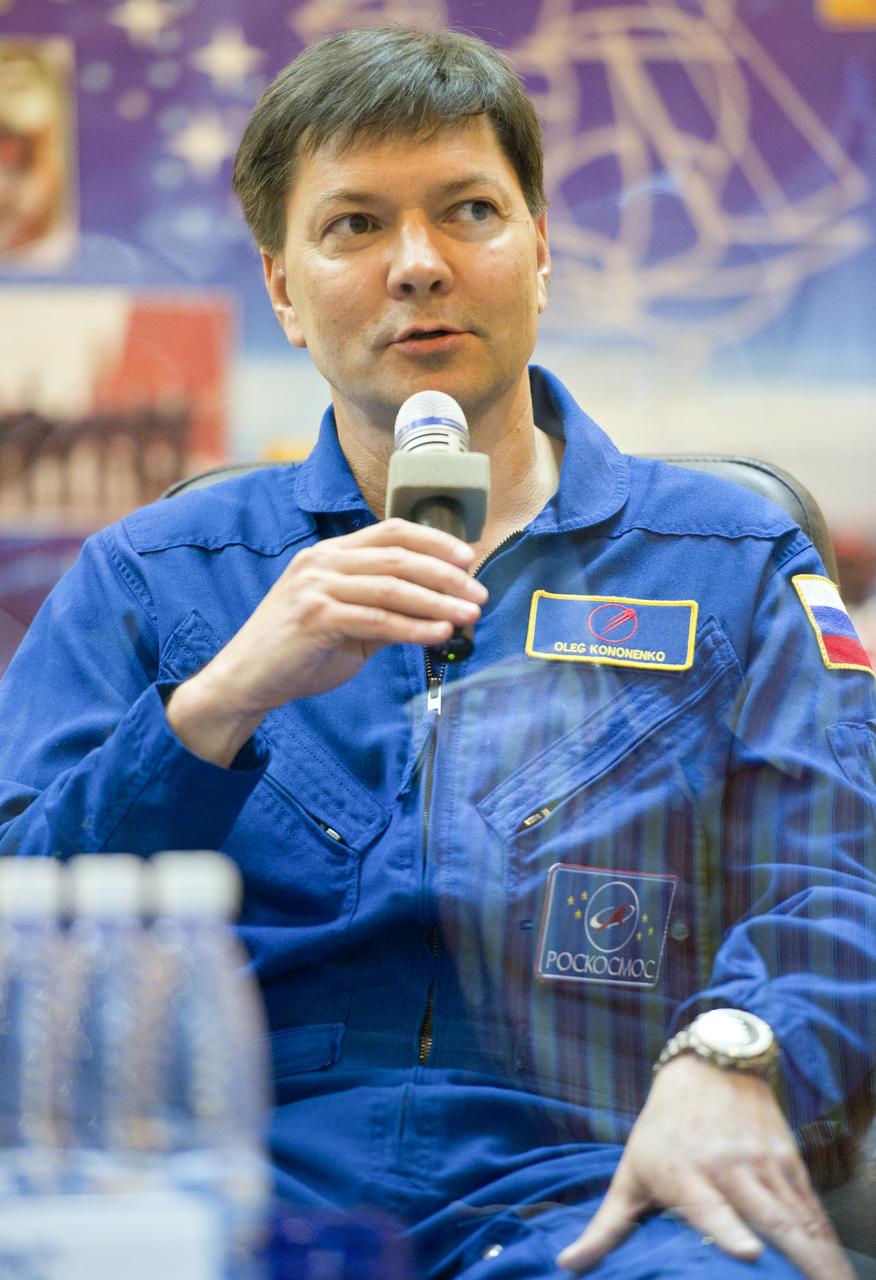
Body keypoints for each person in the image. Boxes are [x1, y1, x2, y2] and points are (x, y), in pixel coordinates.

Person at [0, 27, 874, 1280]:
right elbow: (20, 916)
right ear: (285, 292)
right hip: (222, 1175)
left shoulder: (728, 557)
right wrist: (216, 706)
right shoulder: (153, 574)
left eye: (470, 209)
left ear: (540, 252)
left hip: (600, 1169)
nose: (420, 265)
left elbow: (844, 876)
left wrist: (737, 1049)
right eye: (354, 225)